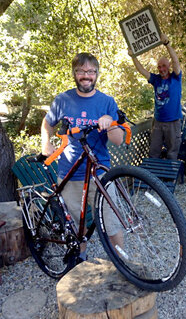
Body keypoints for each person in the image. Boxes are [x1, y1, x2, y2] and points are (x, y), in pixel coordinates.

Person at [41, 52, 124, 262]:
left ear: (96, 74)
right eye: (81, 71)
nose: (86, 75)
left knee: (111, 222)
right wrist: (46, 143)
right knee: (75, 224)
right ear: (75, 73)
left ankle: (123, 263)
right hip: (69, 171)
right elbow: (47, 123)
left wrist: (109, 121)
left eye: (90, 71)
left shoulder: (106, 102)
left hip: (100, 172)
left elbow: (118, 140)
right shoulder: (63, 100)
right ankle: (81, 259)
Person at [128, 33, 182, 160]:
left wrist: (167, 44)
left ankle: (169, 179)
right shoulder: (155, 79)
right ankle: (152, 178)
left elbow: (175, 60)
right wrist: (133, 56)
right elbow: (141, 70)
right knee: (153, 152)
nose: (161, 69)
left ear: (168, 66)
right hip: (157, 122)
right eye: (159, 67)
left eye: (163, 66)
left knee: (172, 153)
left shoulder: (176, 77)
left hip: (173, 123)